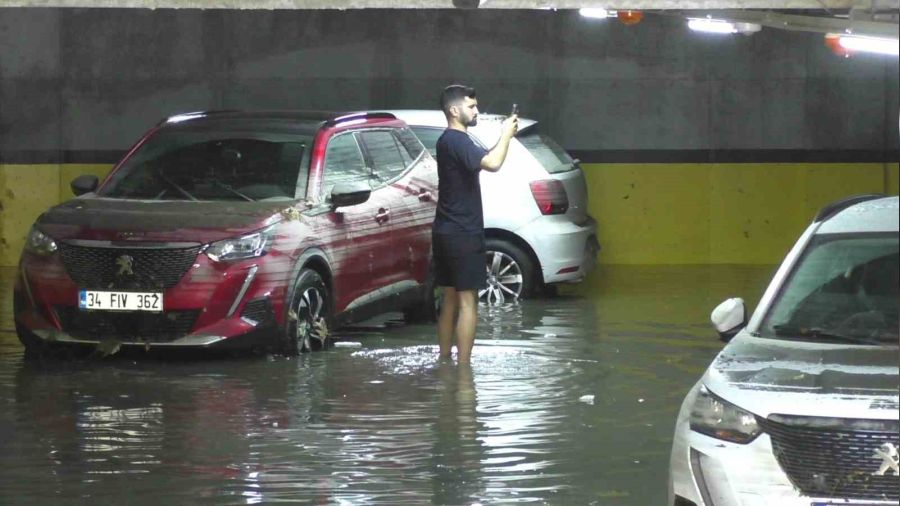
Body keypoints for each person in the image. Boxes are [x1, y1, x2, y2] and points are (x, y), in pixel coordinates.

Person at [432, 84, 518, 363]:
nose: (476, 110)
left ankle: (444, 362)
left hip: (444, 231)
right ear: (454, 111)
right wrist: (506, 135)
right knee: (468, 303)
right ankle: (464, 372)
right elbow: (492, 163)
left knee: (449, 300)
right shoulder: (458, 141)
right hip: (463, 233)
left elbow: (483, 157)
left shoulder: (448, 141)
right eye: (471, 106)